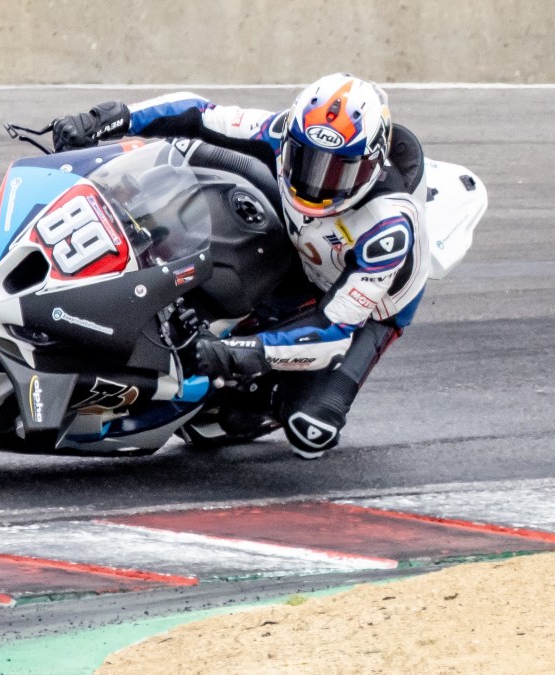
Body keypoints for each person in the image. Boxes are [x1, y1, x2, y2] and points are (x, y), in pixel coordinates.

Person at [51, 73, 429, 459]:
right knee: (190, 157)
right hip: (300, 245)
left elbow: (332, 332)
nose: (316, 184)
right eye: (306, 160)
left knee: (310, 426)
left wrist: (233, 353)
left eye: (338, 171)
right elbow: (198, 113)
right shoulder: (281, 130)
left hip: (366, 308)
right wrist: (108, 118)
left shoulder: (388, 229)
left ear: (372, 165)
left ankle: (263, 400)